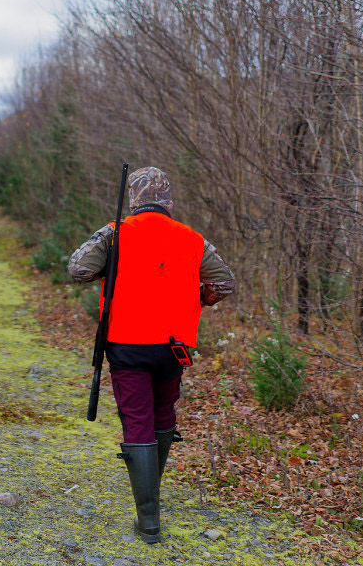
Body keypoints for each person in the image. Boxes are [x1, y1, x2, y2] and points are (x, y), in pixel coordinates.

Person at [67, 166, 235, 544]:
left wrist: (110, 265)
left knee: (138, 420)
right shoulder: (193, 239)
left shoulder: (115, 233)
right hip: (174, 347)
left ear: (134, 199)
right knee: (163, 415)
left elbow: (78, 269)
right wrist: (198, 298)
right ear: (168, 201)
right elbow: (224, 282)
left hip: (126, 344)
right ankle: (151, 501)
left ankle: (148, 521)